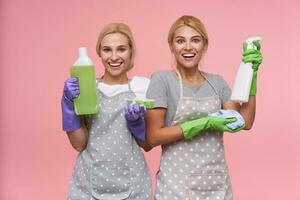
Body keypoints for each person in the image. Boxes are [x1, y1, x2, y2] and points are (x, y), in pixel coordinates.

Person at [145, 15, 262, 200]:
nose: (188, 47)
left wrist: (252, 77)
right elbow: (153, 136)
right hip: (176, 185)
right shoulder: (161, 81)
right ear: (171, 46)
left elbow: (245, 122)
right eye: (180, 41)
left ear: (204, 46)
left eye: (196, 40)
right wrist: (204, 122)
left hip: (215, 183)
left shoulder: (217, 83)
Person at [61, 23, 152, 200]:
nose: (114, 57)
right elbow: (79, 144)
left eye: (121, 49)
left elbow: (147, 145)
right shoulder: (87, 87)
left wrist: (137, 125)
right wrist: (68, 107)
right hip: (87, 185)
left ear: (131, 52)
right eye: (107, 50)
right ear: (99, 53)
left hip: (134, 187)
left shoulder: (143, 87)